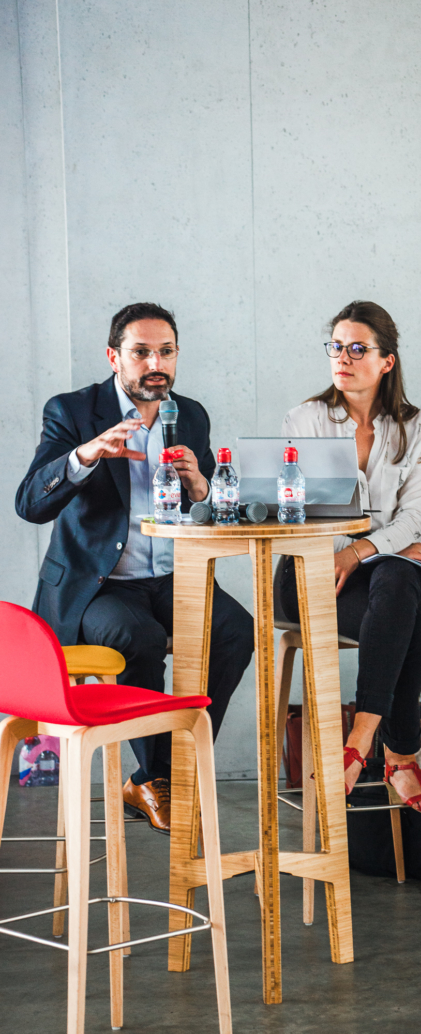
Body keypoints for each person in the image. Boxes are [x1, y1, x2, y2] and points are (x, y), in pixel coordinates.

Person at [16, 302, 254, 833]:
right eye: (142, 351)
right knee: (137, 636)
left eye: (166, 351)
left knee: (237, 630)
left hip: (172, 579)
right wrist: (86, 455)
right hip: (98, 587)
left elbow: (212, 515)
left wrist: (201, 486)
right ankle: (155, 776)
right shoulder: (73, 411)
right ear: (114, 357)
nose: (156, 363)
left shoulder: (188, 414)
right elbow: (30, 503)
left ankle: (174, 767)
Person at [281, 300, 421, 814]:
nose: (344, 357)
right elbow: (295, 517)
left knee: (398, 581)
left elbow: (415, 515)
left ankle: (358, 738)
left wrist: (362, 550)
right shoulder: (305, 420)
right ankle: (396, 754)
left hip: (378, 575)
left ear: (386, 361)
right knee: (417, 629)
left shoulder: (414, 426)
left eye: (358, 348)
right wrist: (380, 543)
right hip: (309, 575)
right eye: (336, 346)